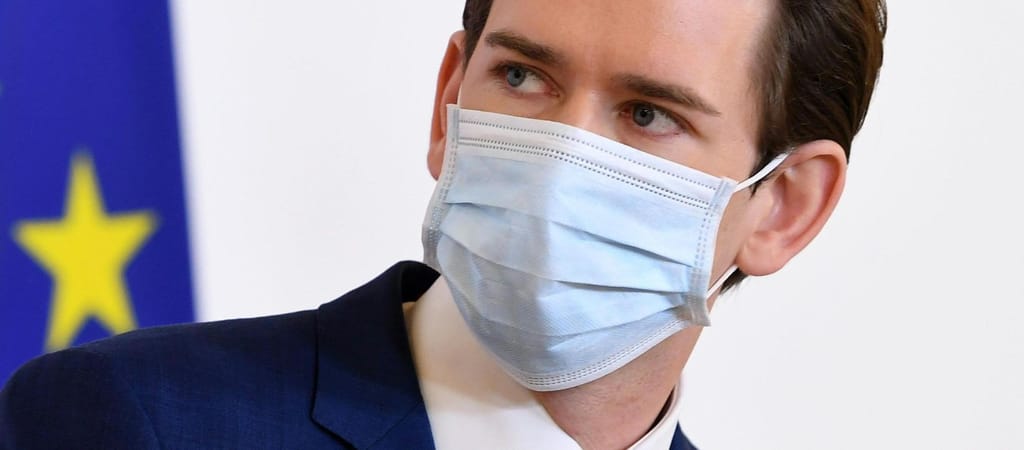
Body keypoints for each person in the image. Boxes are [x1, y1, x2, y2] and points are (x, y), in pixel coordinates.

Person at [0, 0, 886, 448]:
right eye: (524, 77)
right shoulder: (135, 421)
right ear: (448, 100)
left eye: (648, 114)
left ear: (785, 207)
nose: (561, 155)